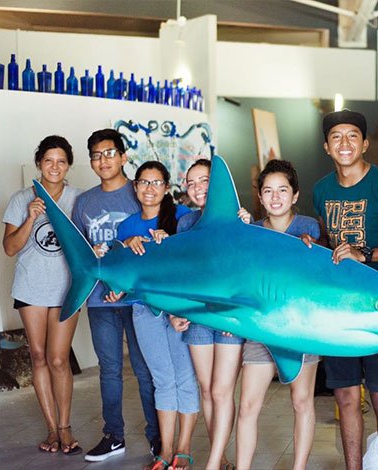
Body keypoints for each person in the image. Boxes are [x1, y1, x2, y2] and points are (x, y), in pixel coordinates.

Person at [302, 109, 378, 470]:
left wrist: (367, 255)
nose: (345, 143)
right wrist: (313, 243)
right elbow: (328, 240)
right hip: (340, 310)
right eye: (337, 137)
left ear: (365, 143)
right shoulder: (321, 190)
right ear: (326, 146)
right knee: (346, 398)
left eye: (353, 135)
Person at [71, 129, 159, 462]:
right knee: (108, 370)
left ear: (123, 157)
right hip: (99, 300)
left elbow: (158, 244)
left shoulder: (139, 195)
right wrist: (90, 252)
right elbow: (78, 253)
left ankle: (157, 436)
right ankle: (114, 435)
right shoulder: (85, 202)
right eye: (96, 155)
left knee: (144, 368)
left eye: (109, 153)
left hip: (137, 299)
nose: (103, 160)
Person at [109, 161, 196, 470]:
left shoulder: (184, 219)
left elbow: (198, 258)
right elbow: (121, 273)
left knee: (184, 377)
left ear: (166, 187)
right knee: (162, 379)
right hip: (144, 309)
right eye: (143, 182)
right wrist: (124, 253)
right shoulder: (126, 226)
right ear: (135, 187)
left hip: (178, 309)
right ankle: (166, 448)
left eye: (156, 182)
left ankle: (184, 448)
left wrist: (170, 242)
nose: (149, 188)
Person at [235, 159, 320, 470]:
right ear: (259, 197)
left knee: (301, 402)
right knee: (246, 406)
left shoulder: (308, 227)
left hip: (300, 329)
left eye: (282, 190)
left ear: (295, 195)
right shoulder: (250, 231)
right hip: (260, 328)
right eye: (267, 191)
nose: (275, 197)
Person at [2, 135, 83, 455]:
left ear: (68, 166)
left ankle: (65, 427)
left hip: (67, 288)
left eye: (61, 161)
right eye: (49, 160)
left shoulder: (80, 199)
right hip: (30, 287)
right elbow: (9, 248)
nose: (55, 166)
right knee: (38, 356)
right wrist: (31, 216)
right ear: (39, 163)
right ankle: (51, 429)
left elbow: (89, 244)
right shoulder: (21, 199)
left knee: (58, 358)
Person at [170, 158, 250, 470]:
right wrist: (175, 312)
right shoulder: (185, 224)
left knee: (222, 391)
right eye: (190, 183)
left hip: (229, 318)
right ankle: (222, 456)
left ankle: (214, 461)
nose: (197, 188)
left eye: (204, 180)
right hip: (198, 317)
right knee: (207, 390)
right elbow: (182, 274)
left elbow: (247, 274)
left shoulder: (240, 219)